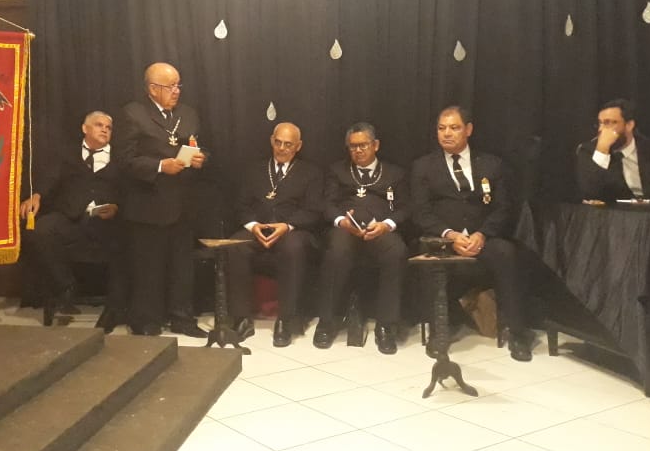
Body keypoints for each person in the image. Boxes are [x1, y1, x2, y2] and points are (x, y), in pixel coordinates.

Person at [411, 105, 532, 361]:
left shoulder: (492, 164)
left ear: (468, 130)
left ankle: (518, 333)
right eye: (441, 128)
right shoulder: (423, 166)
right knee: (428, 260)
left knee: (507, 253)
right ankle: (438, 332)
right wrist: (450, 235)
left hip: (482, 237)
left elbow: (503, 207)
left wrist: (482, 234)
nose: (447, 134)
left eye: (454, 128)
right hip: (443, 239)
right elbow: (421, 213)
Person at [113, 62, 207, 337]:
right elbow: (124, 160)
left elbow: (195, 145)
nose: (177, 91)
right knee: (148, 267)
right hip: (148, 202)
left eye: (178, 85)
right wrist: (159, 166)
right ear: (153, 89)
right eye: (171, 86)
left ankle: (182, 318)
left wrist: (201, 158)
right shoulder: (132, 114)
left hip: (182, 202)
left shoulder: (188, 114)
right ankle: (146, 320)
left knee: (182, 266)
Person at [19, 111, 126, 329]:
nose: (105, 130)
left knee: (127, 242)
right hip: (71, 217)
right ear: (85, 128)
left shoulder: (121, 157)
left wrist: (117, 207)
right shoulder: (67, 153)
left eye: (108, 127)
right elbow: (50, 177)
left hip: (106, 222)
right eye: (99, 125)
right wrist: (37, 195)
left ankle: (115, 309)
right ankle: (65, 285)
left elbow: (128, 190)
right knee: (40, 230)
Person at [312, 122, 411, 354]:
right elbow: (327, 204)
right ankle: (327, 321)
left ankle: (386, 325)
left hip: (381, 229)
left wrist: (386, 225)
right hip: (346, 229)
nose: (358, 151)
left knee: (396, 252)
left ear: (375, 145)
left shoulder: (395, 173)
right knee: (336, 252)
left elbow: (406, 207)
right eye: (352, 146)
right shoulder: (337, 171)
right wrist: (341, 221)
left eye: (363, 145)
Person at [225, 122, 324, 347]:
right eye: (278, 142)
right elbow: (241, 206)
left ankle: (286, 320)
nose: (281, 148)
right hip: (258, 228)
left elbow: (313, 210)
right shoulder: (254, 170)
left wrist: (287, 226)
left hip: (293, 230)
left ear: (298, 146)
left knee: (293, 247)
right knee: (235, 245)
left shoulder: (311, 173)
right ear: (271, 141)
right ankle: (241, 318)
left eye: (288, 144)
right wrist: (253, 226)